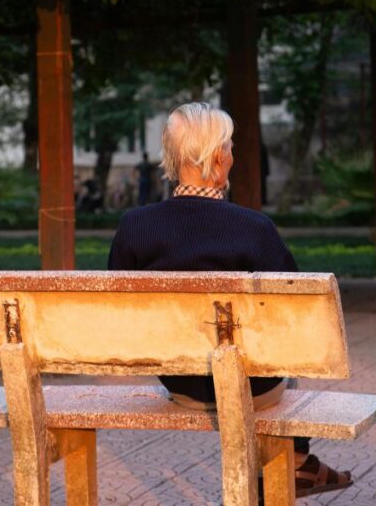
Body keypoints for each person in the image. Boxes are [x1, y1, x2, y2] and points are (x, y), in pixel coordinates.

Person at [107, 102, 353, 499]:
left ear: (171, 156)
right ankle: (294, 462)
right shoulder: (254, 229)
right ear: (220, 157)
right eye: (232, 146)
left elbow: (118, 315)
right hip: (253, 389)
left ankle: (297, 465)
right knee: (284, 368)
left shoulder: (134, 227)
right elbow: (296, 321)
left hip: (181, 384)